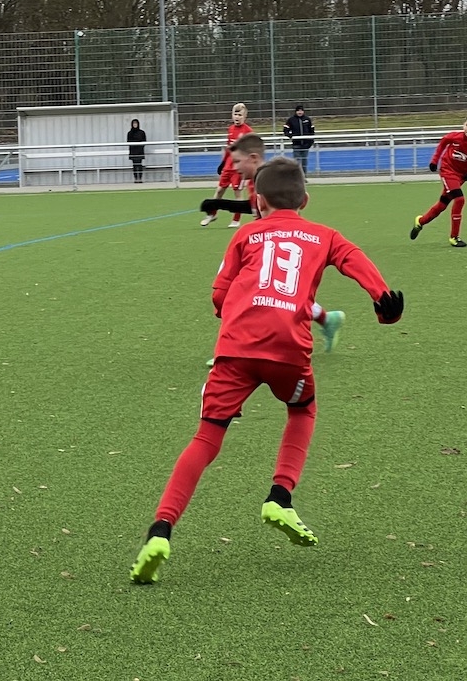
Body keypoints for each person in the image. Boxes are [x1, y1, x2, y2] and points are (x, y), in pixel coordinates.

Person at [130, 157, 404, 585]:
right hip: (288, 351)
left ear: (257, 201)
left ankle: (160, 530)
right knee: (302, 410)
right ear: (305, 200)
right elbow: (355, 259)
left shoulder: (245, 234)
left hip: (236, 350)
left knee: (207, 438)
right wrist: (382, 299)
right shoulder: (325, 235)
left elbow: (218, 297)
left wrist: (238, 309)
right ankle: (280, 496)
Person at [200, 133, 346, 351]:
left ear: (253, 158)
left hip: (266, 242)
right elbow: (253, 210)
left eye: (238, 161)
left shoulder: (266, 180)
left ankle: (234, 346)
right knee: (276, 291)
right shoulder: (259, 179)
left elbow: (260, 211)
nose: (235, 167)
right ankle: (326, 319)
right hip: (260, 241)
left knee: (234, 289)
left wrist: (218, 204)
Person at [410, 120, 467, 248]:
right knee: (459, 200)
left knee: (442, 204)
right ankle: (454, 237)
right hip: (448, 172)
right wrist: (434, 161)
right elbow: (443, 143)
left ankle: (420, 221)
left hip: (461, 176)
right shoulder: (455, 137)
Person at [201, 102, 254, 228]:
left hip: (238, 169)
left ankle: (236, 220)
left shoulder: (248, 131)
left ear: (245, 116)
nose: (237, 117)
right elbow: (229, 149)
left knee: (237, 193)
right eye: (235, 114)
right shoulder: (230, 129)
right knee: (219, 190)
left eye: (240, 115)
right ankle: (212, 214)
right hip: (228, 167)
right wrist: (223, 162)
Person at [283, 105, 316, 170]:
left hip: (306, 144)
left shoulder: (307, 119)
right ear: (296, 111)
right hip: (296, 144)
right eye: (298, 111)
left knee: (304, 162)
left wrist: (310, 141)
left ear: (303, 111)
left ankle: (303, 175)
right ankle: (297, 175)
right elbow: (285, 130)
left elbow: (312, 131)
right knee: (296, 162)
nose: (300, 112)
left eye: (301, 111)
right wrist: (290, 135)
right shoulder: (291, 120)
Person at [127, 119, 148, 183]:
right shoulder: (130, 133)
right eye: (134, 123)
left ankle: (140, 178)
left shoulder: (142, 132)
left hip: (140, 151)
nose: (135, 125)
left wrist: (140, 147)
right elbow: (128, 141)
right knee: (134, 165)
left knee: (139, 165)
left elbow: (144, 141)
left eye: (136, 123)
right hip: (133, 151)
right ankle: (136, 178)